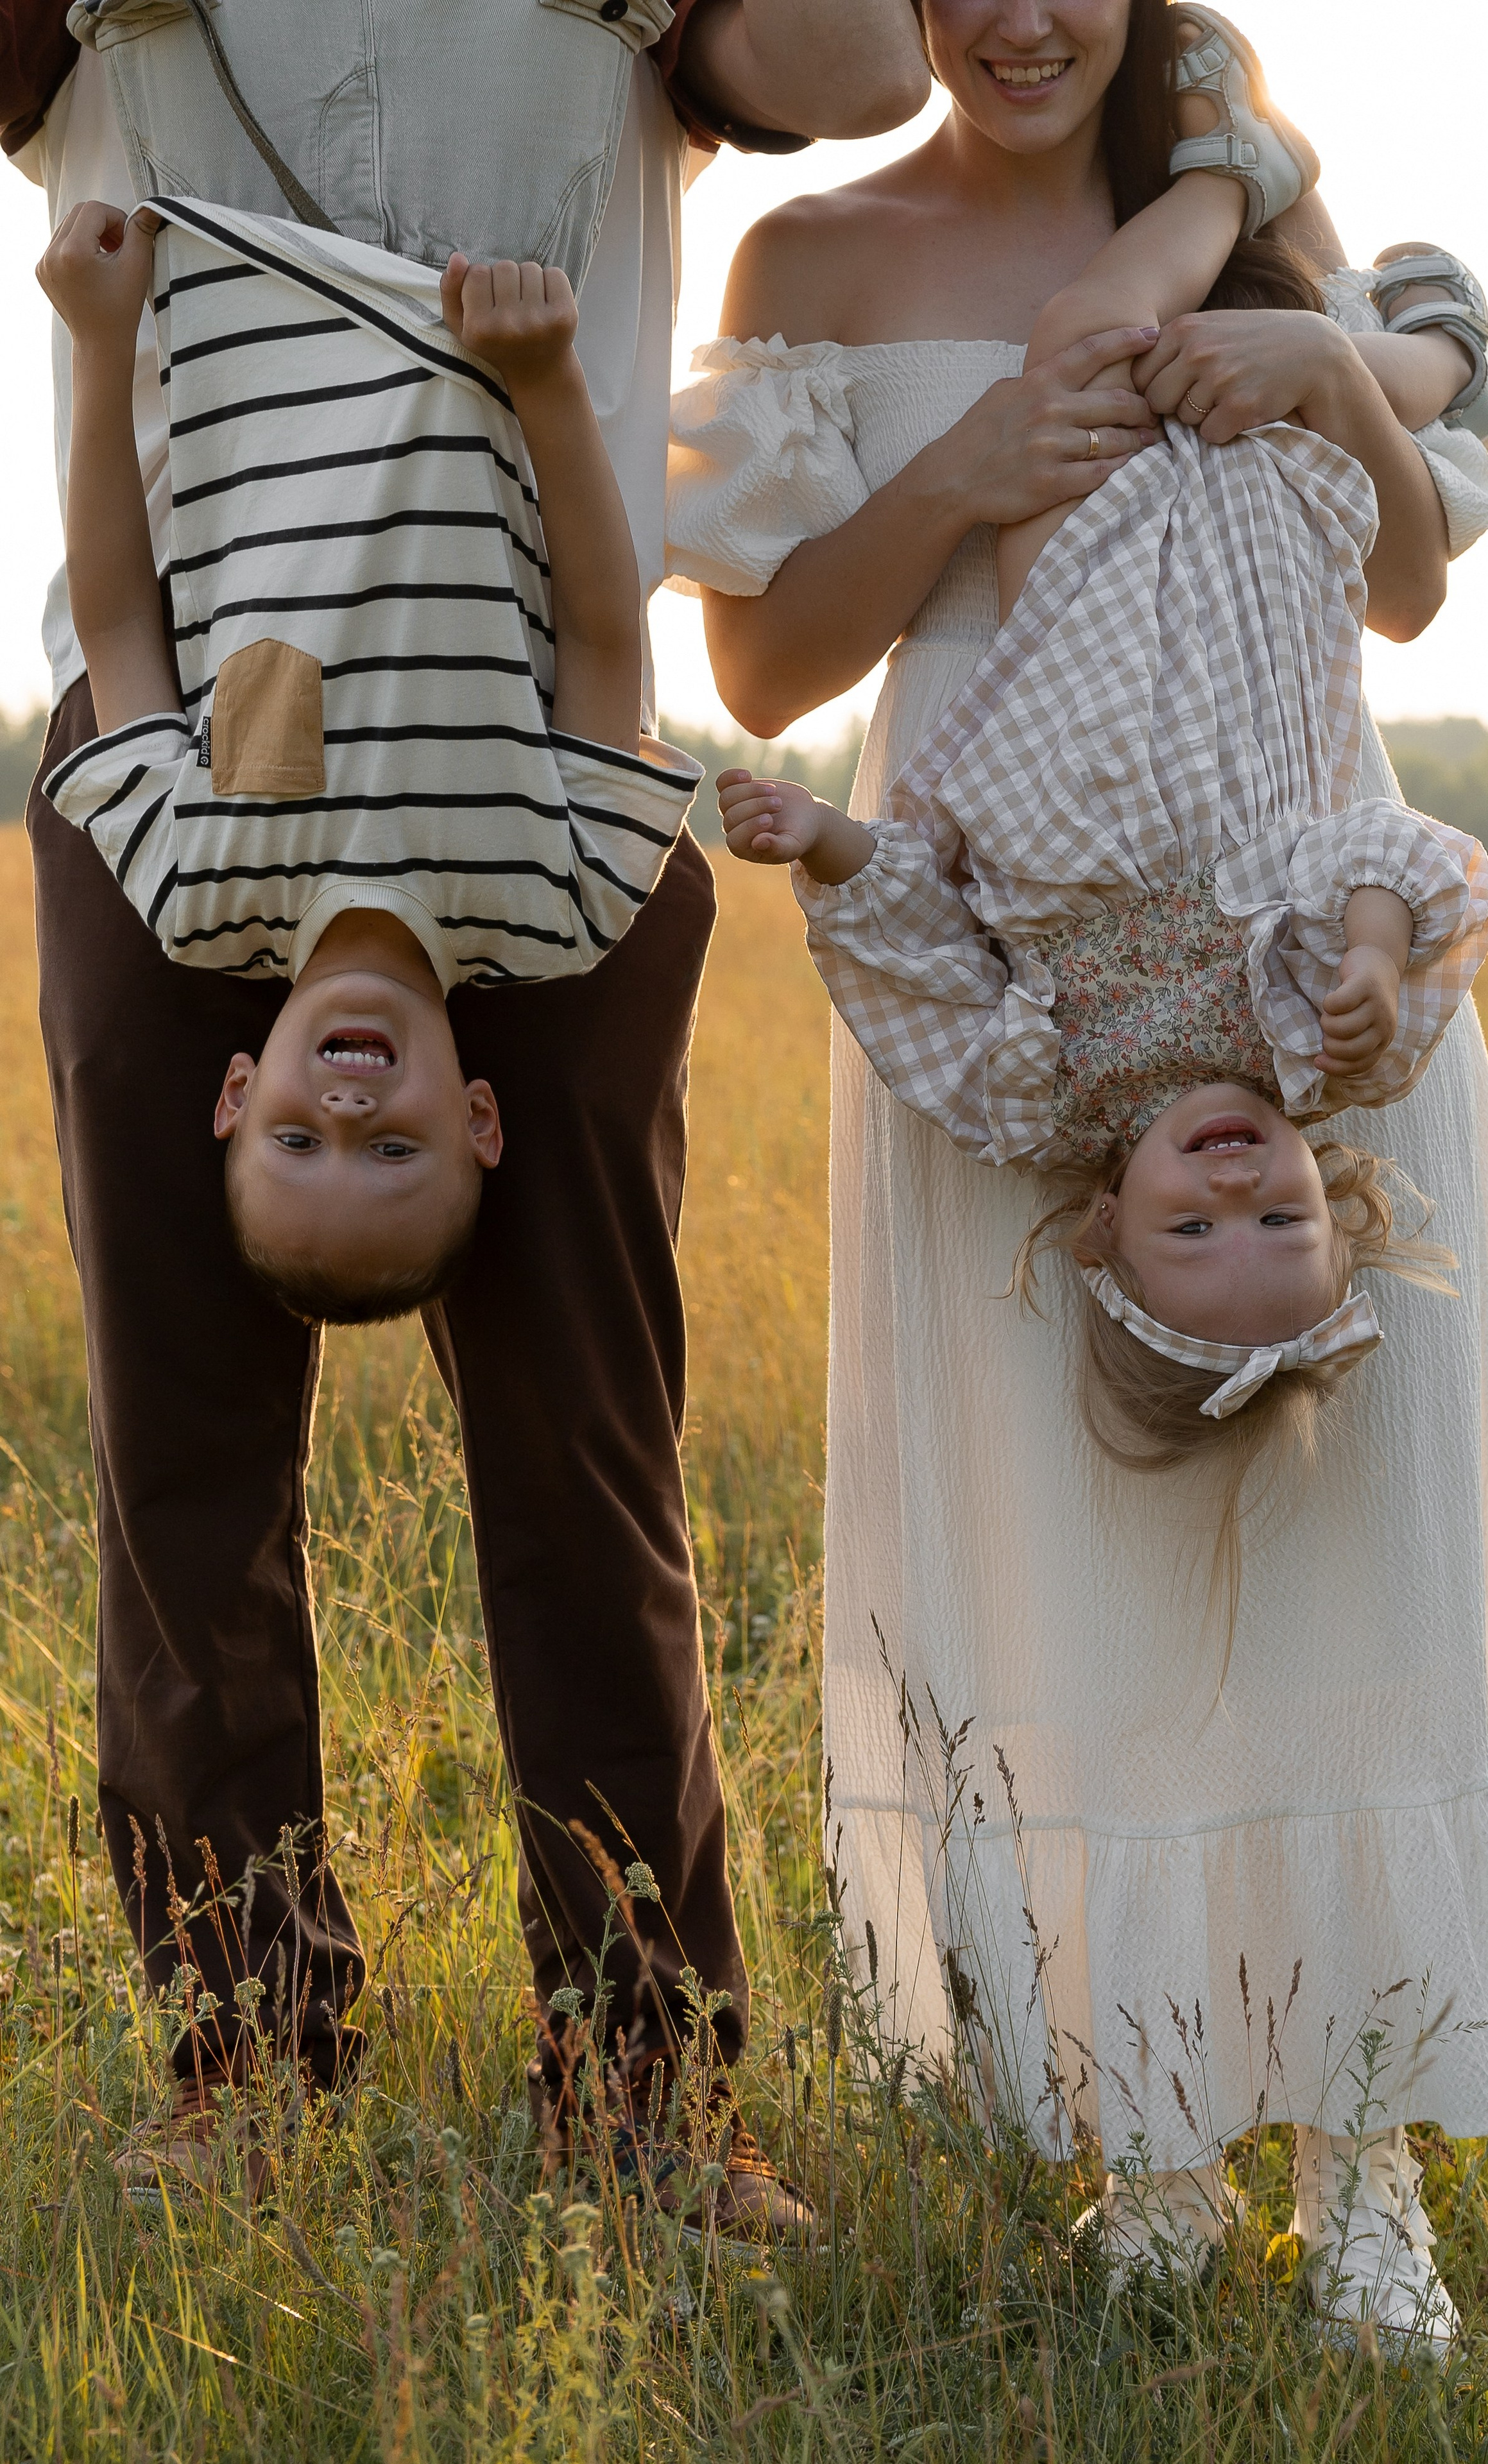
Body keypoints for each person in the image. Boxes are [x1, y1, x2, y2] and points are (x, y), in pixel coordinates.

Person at [669, 0, 1488, 2343]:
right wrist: (973, 468)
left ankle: (1368, 2152)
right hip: (1001, 961)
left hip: (1322, 932)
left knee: (1341, 1552)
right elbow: (770, 660)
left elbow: (1406, 593)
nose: (1015, 16)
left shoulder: (1254, 223)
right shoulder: (804, 252)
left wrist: (1312, 373)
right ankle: (1155, 2141)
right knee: (1065, 1552)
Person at [2, 0, 930, 2225]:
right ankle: (246, 2060)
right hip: (180, 786)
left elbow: (864, 65)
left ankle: (645, 2092)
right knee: (181, 1470)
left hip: (553, 764)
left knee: (586, 1450)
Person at [40, 196, 701, 1324]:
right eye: (396, 1150)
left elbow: (114, 628)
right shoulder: (566, 907)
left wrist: (102, 343)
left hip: (244, 299)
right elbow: (602, 638)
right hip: (479, 314)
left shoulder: (191, 893)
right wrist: (547, 382)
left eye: (296, 1139)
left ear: (238, 1095)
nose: (348, 1111)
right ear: (480, 1121)